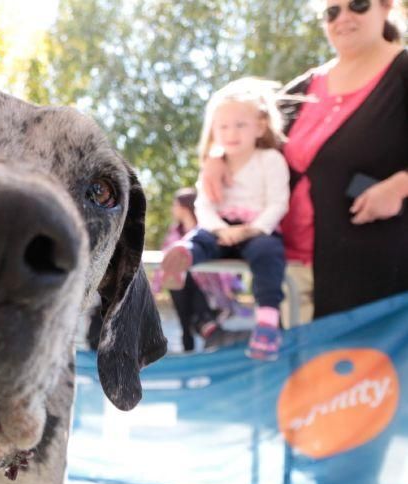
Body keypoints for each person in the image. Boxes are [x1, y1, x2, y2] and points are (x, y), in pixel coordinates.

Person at [201, 0, 408, 321]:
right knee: (298, 370)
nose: (344, 18)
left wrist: (399, 186)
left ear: (386, 6)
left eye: (358, 5)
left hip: (377, 278)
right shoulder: (303, 87)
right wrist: (217, 157)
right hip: (289, 273)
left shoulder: (401, 72)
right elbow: (247, 129)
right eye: (332, 11)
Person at [161, 78, 290, 361]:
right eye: (223, 126)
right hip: (220, 228)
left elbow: (278, 202)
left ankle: (267, 321)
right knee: (199, 240)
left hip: (257, 230)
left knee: (269, 256)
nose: (231, 133)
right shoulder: (212, 165)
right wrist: (220, 229)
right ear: (213, 131)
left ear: (260, 127)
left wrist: (253, 229)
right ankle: (180, 259)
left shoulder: (270, 160)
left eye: (240, 125)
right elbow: (203, 204)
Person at [152, 188, 249, 352]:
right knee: (181, 279)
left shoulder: (206, 232)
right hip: (184, 290)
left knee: (187, 281)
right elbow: (166, 261)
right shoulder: (174, 234)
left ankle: (206, 329)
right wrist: (154, 289)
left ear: (184, 207)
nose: (172, 210)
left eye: (175, 206)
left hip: (210, 291)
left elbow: (223, 258)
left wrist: (230, 285)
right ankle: (207, 331)